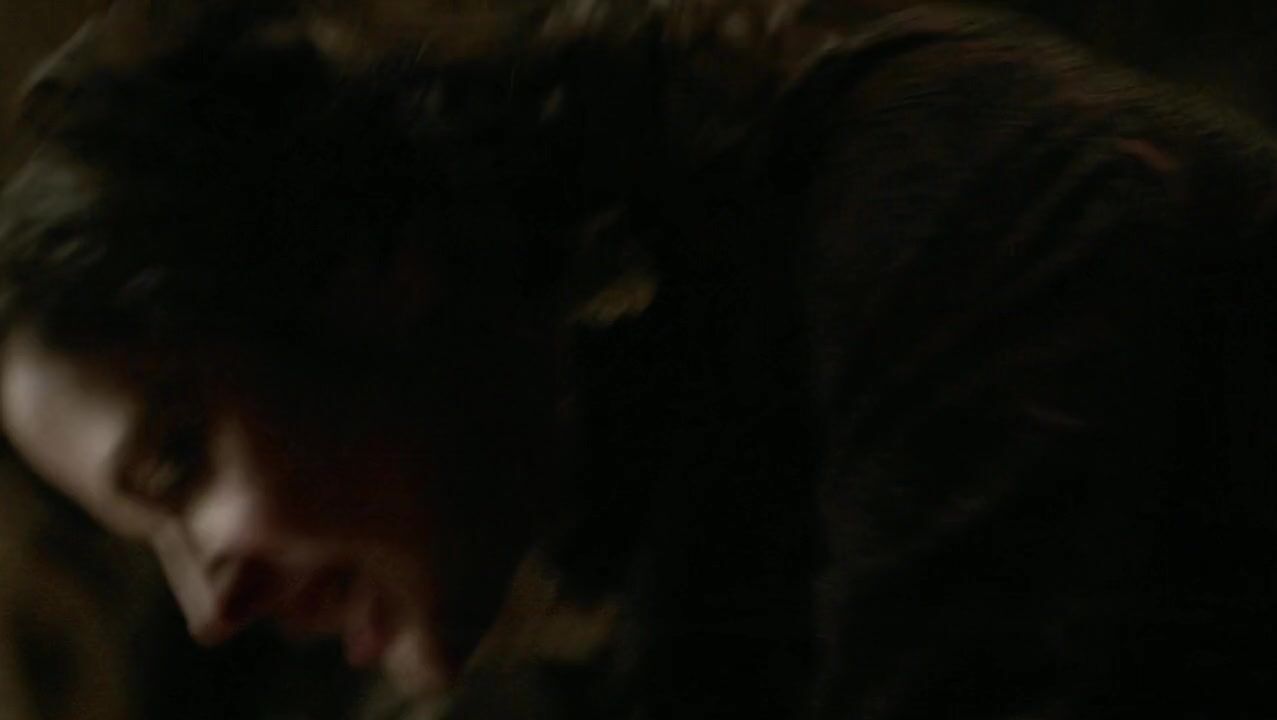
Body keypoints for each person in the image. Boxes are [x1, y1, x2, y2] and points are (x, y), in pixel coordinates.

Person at [1, 1, 1274, 718]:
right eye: (147, 541)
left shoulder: (941, 209)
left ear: (364, 269)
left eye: (179, 463)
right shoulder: (638, 551)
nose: (209, 607)